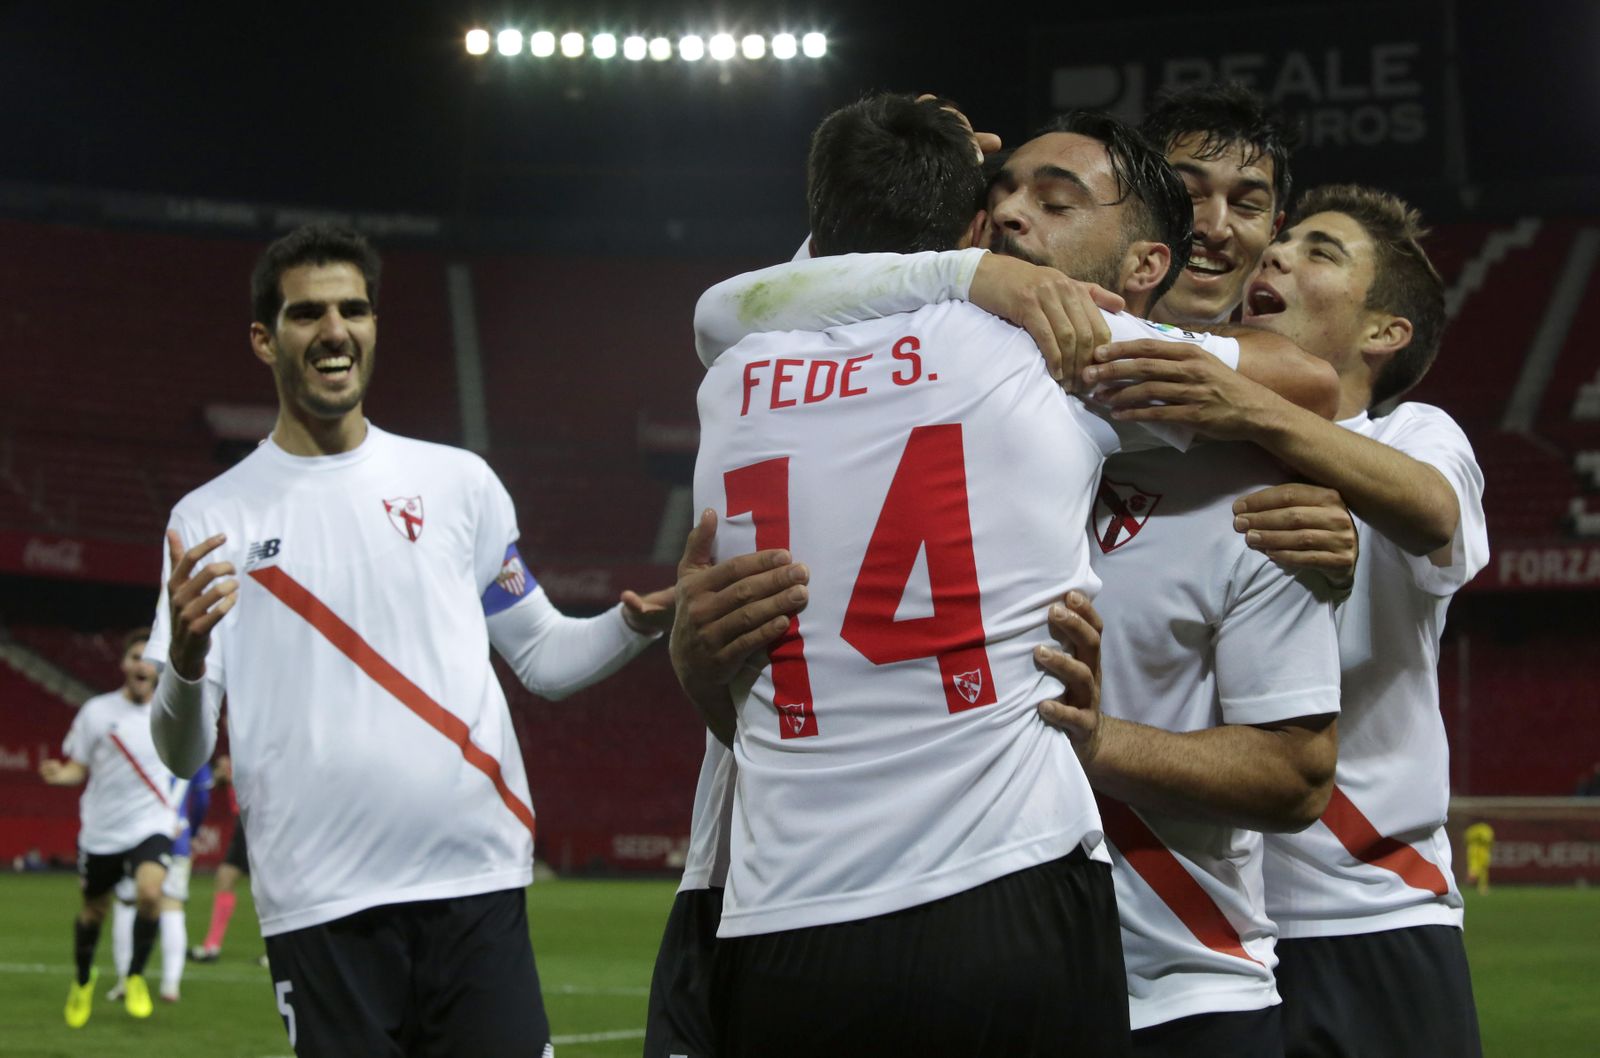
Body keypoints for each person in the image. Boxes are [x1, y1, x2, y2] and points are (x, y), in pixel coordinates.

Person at [653, 103, 1343, 1057]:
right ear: (974, 224)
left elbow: (739, 302)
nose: (1016, 214)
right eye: (1001, 194)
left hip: (787, 907)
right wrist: (975, 277)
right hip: (1004, 886)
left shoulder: (741, 366)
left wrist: (947, 251)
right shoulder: (1051, 351)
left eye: (1054, 201)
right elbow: (1308, 382)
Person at [144, 223, 674, 1058]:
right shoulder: (211, 519)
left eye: (353, 309)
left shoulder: (458, 484)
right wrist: (184, 660)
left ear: (374, 325)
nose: (334, 330)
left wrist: (635, 625)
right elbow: (180, 754)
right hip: (320, 903)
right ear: (264, 339)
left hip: (475, 879)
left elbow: (541, 655)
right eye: (306, 313)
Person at [1088, 183, 1488, 1057]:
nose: (1276, 253)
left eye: (1321, 253)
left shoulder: (1414, 436)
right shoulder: (1195, 461)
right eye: (1285, 240)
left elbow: (1435, 513)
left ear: (1384, 332)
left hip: (1369, 911)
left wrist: (1253, 406)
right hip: (1216, 919)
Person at [39, 628, 179, 1026]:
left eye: (149, 659)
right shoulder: (96, 712)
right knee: (93, 911)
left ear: (158, 669)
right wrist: (59, 774)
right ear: (123, 664)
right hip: (103, 831)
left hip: (150, 822)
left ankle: (134, 976)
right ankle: (83, 980)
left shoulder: (169, 713)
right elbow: (77, 768)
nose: (142, 665)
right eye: (135, 657)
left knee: (150, 894)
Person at [108, 760, 210, 1003]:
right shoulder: (192, 745)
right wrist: (192, 832)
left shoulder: (139, 744)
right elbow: (203, 799)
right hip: (178, 834)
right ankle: (170, 985)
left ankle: (124, 980)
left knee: (127, 902)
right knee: (172, 906)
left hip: (137, 835)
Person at [189, 756, 254, 963]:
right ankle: (212, 946)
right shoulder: (228, 761)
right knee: (225, 878)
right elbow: (209, 785)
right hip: (244, 824)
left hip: (257, 821)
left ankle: (282, 948)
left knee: (272, 888)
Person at [1463, 820, 1494, 896]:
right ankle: (1468, 884)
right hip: (1476, 852)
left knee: (1483, 871)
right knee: (1474, 869)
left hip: (1481, 852)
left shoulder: (1482, 829)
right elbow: (1488, 840)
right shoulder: (1482, 829)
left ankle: (1482, 888)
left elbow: (1488, 840)